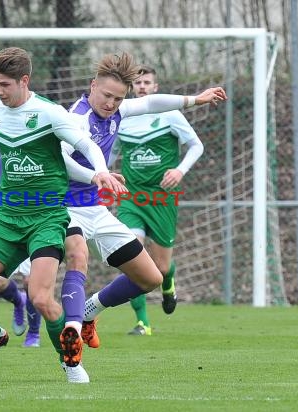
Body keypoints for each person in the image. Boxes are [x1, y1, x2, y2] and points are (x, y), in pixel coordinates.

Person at [0, 47, 126, 384]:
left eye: (5, 85)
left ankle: (69, 361)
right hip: (6, 216)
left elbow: (86, 145)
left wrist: (99, 172)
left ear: (24, 81)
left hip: (46, 218)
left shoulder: (50, 113)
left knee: (42, 299)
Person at [56, 52, 226, 353]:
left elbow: (150, 103)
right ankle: (70, 337)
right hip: (66, 209)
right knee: (77, 258)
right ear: (93, 86)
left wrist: (196, 100)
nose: (112, 104)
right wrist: (97, 175)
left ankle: (89, 311)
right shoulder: (76, 118)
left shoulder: (116, 112)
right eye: (107, 96)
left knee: (151, 277)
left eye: (119, 99)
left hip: (97, 209)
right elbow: (62, 162)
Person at [113, 65, 205, 336]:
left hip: (162, 198)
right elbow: (109, 152)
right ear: (131, 87)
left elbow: (196, 146)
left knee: (161, 266)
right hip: (131, 198)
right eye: (138, 82)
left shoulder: (170, 115)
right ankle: (143, 322)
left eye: (147, 82)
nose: (142, 86)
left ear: (155, 87)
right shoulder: (121, 118)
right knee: (131, 258)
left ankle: (168, 282)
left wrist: (179, 170)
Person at [0, 138, 41, 347]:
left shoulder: (34, 135)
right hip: (5, 218)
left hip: (34, 217)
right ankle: (18, 302)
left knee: (32, 281)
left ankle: (33, 334)